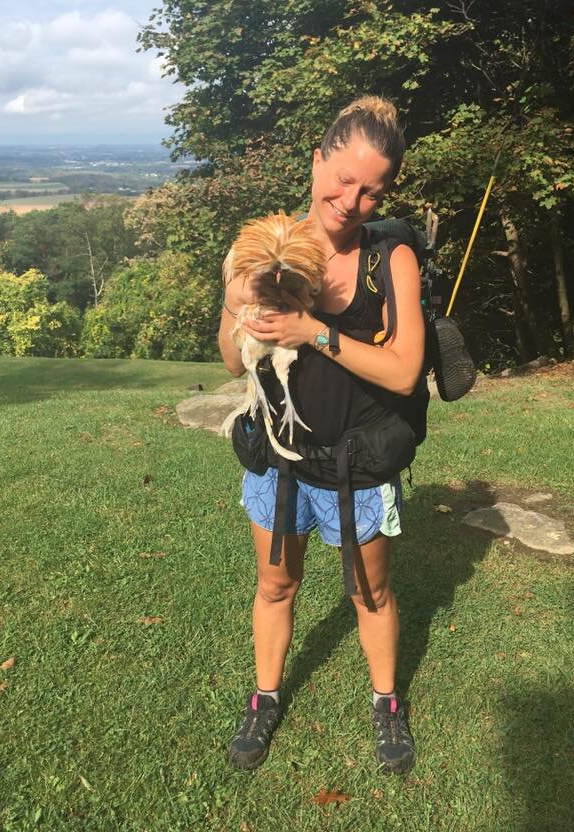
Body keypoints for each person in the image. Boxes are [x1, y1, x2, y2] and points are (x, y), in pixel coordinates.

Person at [218, 96, 425, 773]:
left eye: (372, 189)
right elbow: (229, 358)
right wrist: (236, 300)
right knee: (276, 584)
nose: (351, 199)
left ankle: (387, 703)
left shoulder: (387, 258)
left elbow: (401, 374)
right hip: (277, 460)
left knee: (370, 592)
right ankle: (265, 695)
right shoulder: (269, 248)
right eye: (342, 179)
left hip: (357, 461)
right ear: (317, 161)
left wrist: (315, 332)